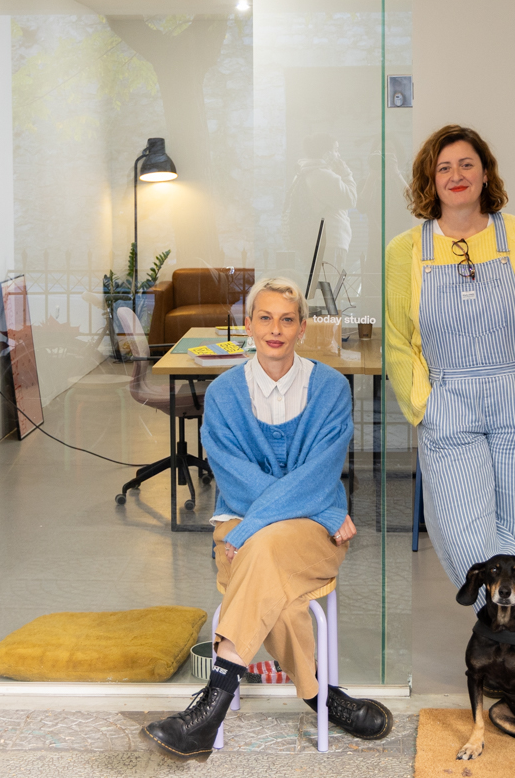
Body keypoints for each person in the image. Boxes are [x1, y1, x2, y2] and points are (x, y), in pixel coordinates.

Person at [142, 276, 393, 761]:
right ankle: (323, 698)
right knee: (275, 578)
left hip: (282, 534)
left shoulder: (331, 389)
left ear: (302, 328)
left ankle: (208, 709)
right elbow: (235, 482)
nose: (275, 329)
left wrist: (271, 520)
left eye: (287, 319)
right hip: (280, 523)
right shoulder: (223, 394)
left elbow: (321, 473)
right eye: (265, 318)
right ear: (248, 325)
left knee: (263, 549)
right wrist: (323, 505)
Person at [383, 125, 515, 636]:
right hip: (447, 399)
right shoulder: (405, 251)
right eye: (443, 167)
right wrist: (422, 404)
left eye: (466, 164)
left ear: (485, 173)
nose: (456, 175)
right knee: (466, 530)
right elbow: (397, 340)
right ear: (430, 181)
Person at [284, 133, 358, 278]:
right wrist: (346, 173)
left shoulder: (304, 172)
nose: (339, 155)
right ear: (327, 153)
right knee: (329, 287)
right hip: (330, 242)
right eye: (336, 150)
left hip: (314, 241)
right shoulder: (322, 175)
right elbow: (351, 199)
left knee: (317, 286)